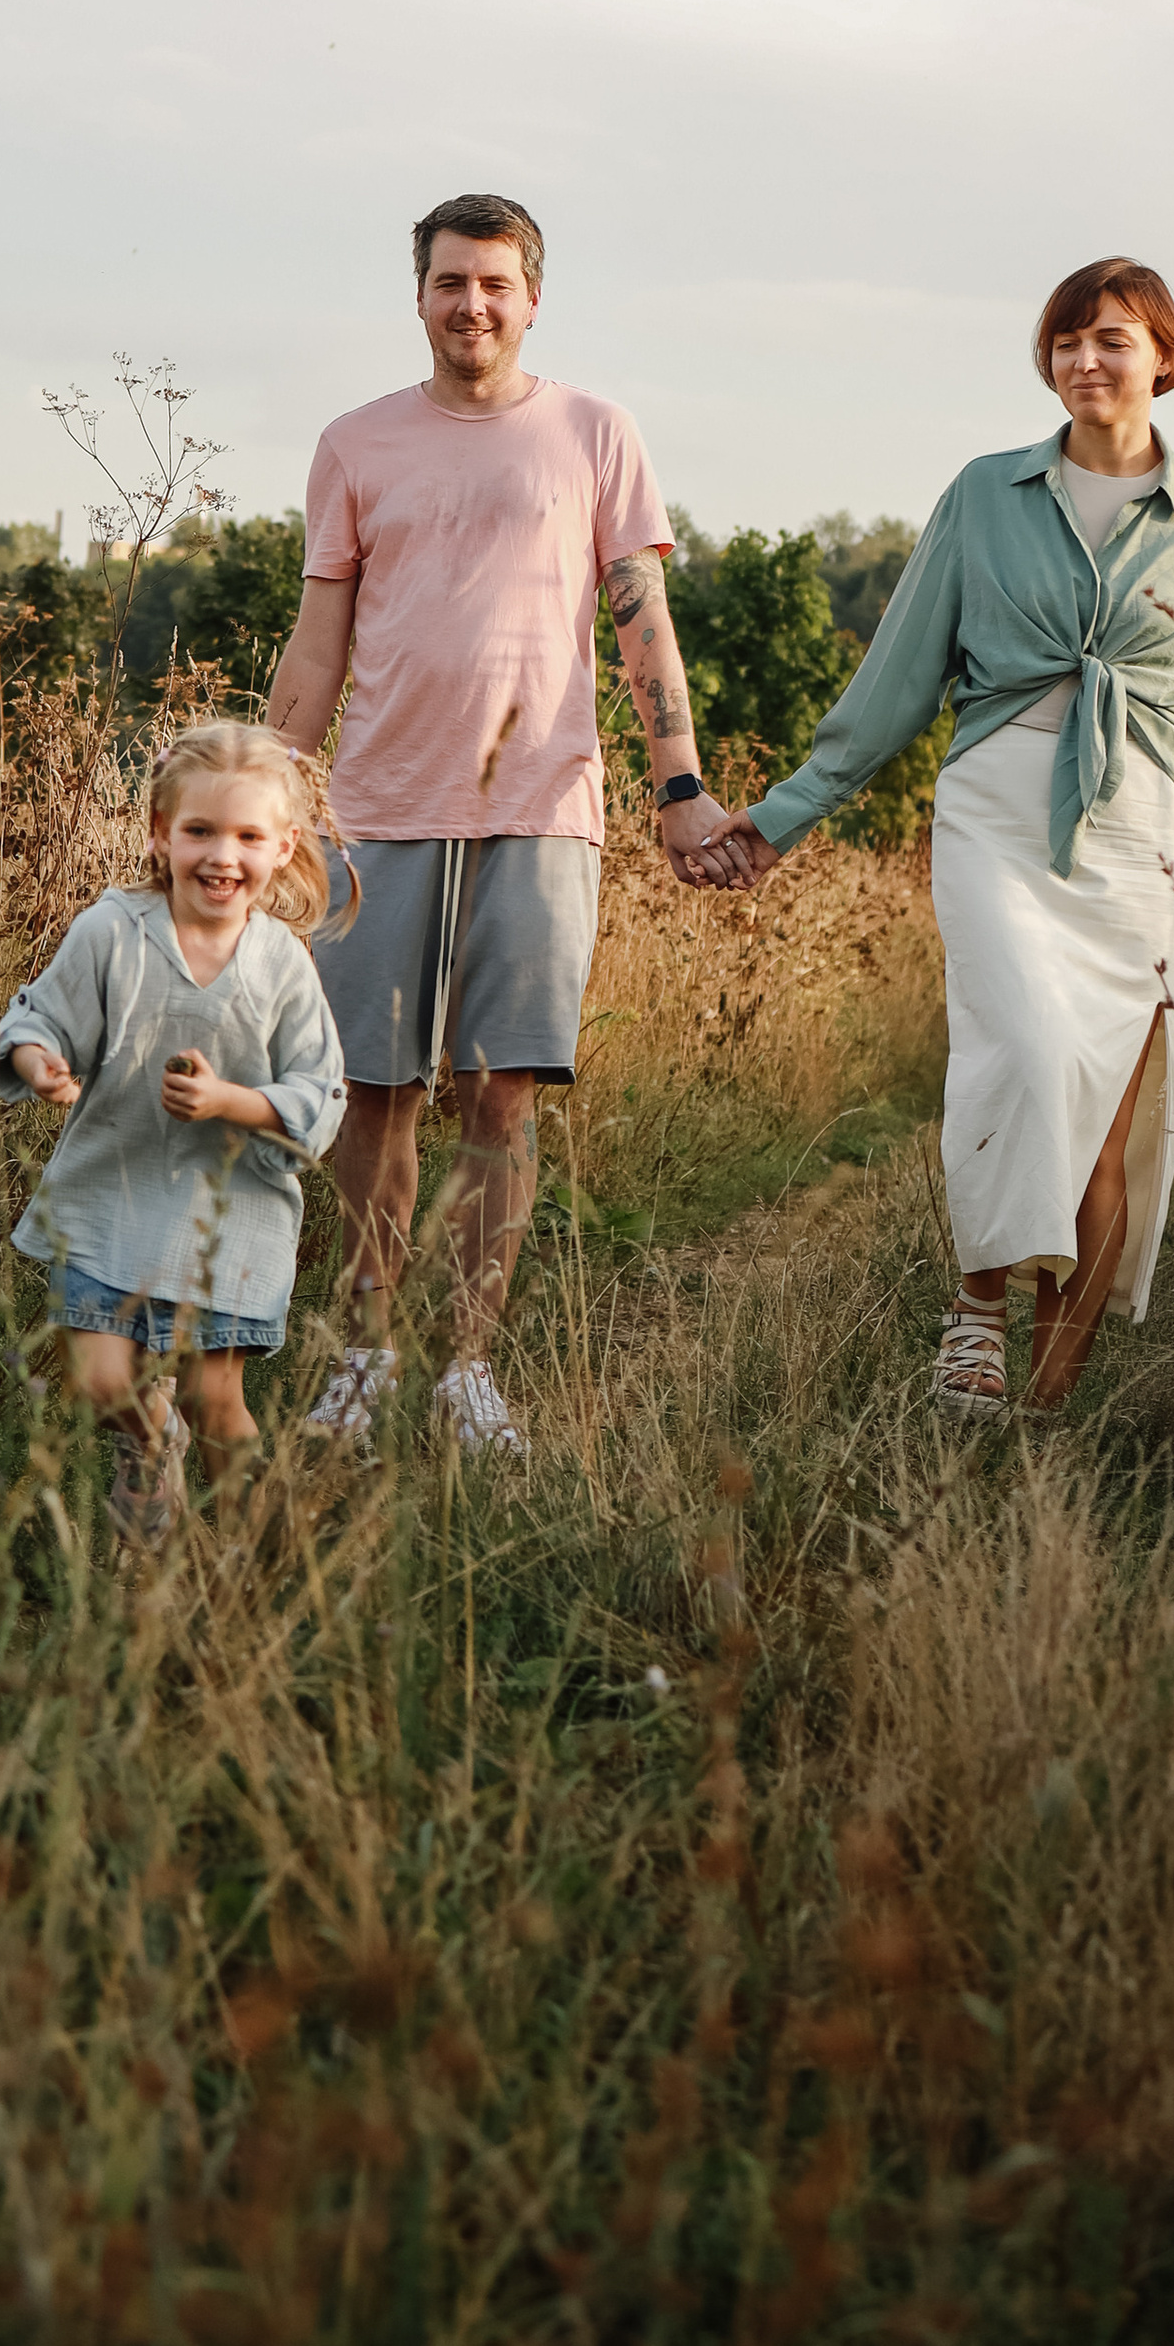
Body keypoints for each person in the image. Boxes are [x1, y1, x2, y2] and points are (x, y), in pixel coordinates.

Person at [695, 258, 1174, 1417]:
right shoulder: (984, 494)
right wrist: (779, 819)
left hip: (1143, 835)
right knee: (1022, 1055)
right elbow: (896, 681)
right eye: (1066, 342)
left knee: (1106, 1114)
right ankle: (974, 1314)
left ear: (1163, 359)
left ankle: (1045, 1408)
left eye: (1111, 340)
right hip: (995, 810)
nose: (1086, 361)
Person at [266, 192, 745, 1458]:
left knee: (502, 1097)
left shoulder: (593, 432)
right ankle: (362, 1356)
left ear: (532, 297)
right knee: (375, 1093)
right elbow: (319, 639)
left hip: (541, 809)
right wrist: (265, 788)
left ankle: (466, 1370)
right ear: (416, 295)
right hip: (378, 809)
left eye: (494, 283)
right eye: (447, 282)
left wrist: (679, 785)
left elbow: (641, 615)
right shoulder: (356, 444)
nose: (470, 304)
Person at [0, 723, 350, 1552]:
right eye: (200, 831)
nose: (223, 856)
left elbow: (319, 1088)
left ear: (282, 845)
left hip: (229, 1212)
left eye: (249, 837)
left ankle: (260, 1553)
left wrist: (234, 1101)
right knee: (101, 1376)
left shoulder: (281, 962)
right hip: (112, 1192)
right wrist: (43, 1064)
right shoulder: (113, 931)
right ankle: (150, 1457)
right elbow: (41, 1015)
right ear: (160, 832)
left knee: (214, 1404)